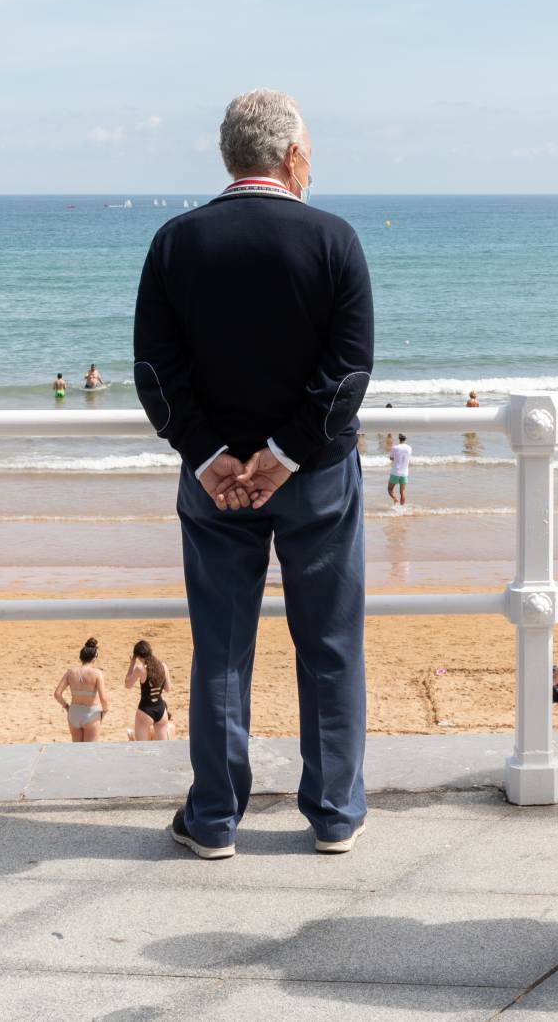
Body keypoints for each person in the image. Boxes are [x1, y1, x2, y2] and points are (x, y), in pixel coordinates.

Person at [133, 88, 373, 860]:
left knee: (222, 646)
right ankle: (334, 811)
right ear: (294, 156)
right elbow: (348, 375)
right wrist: (285, 455)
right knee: (329, 642)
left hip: (214, 485)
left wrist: (211, 456)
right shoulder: (334, 239)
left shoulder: (176, 242)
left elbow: (154, 371)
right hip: (317, 477)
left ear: (229, 156)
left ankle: (213, 819)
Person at [53, 637, 109, 742]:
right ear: (95, 657)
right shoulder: (97, 673)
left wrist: (66, 706)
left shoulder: (70, 672)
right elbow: (104, 699)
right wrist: (104, 711)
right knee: (89, 752)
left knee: (76, 751)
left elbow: (57, 694)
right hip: (91, 713)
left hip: (74, 712)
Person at [126, 639, 175, 741]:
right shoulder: (163, 666)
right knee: (163, 747)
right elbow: (168, 689)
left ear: (138, 656)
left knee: (142, 748)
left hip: (145, 710)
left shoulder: (140, 669)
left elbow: (127, 684)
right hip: (161, 710)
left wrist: (132, 664)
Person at [387, 433, 412, 505]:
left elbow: (391, 458)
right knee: (402, 491)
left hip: (395, 472)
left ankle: (395, 499)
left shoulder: (395, 447)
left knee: (390, 489)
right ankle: (402, 508)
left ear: (399, 438)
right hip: (405, 473)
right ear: (405, 439)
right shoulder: (409, 448)